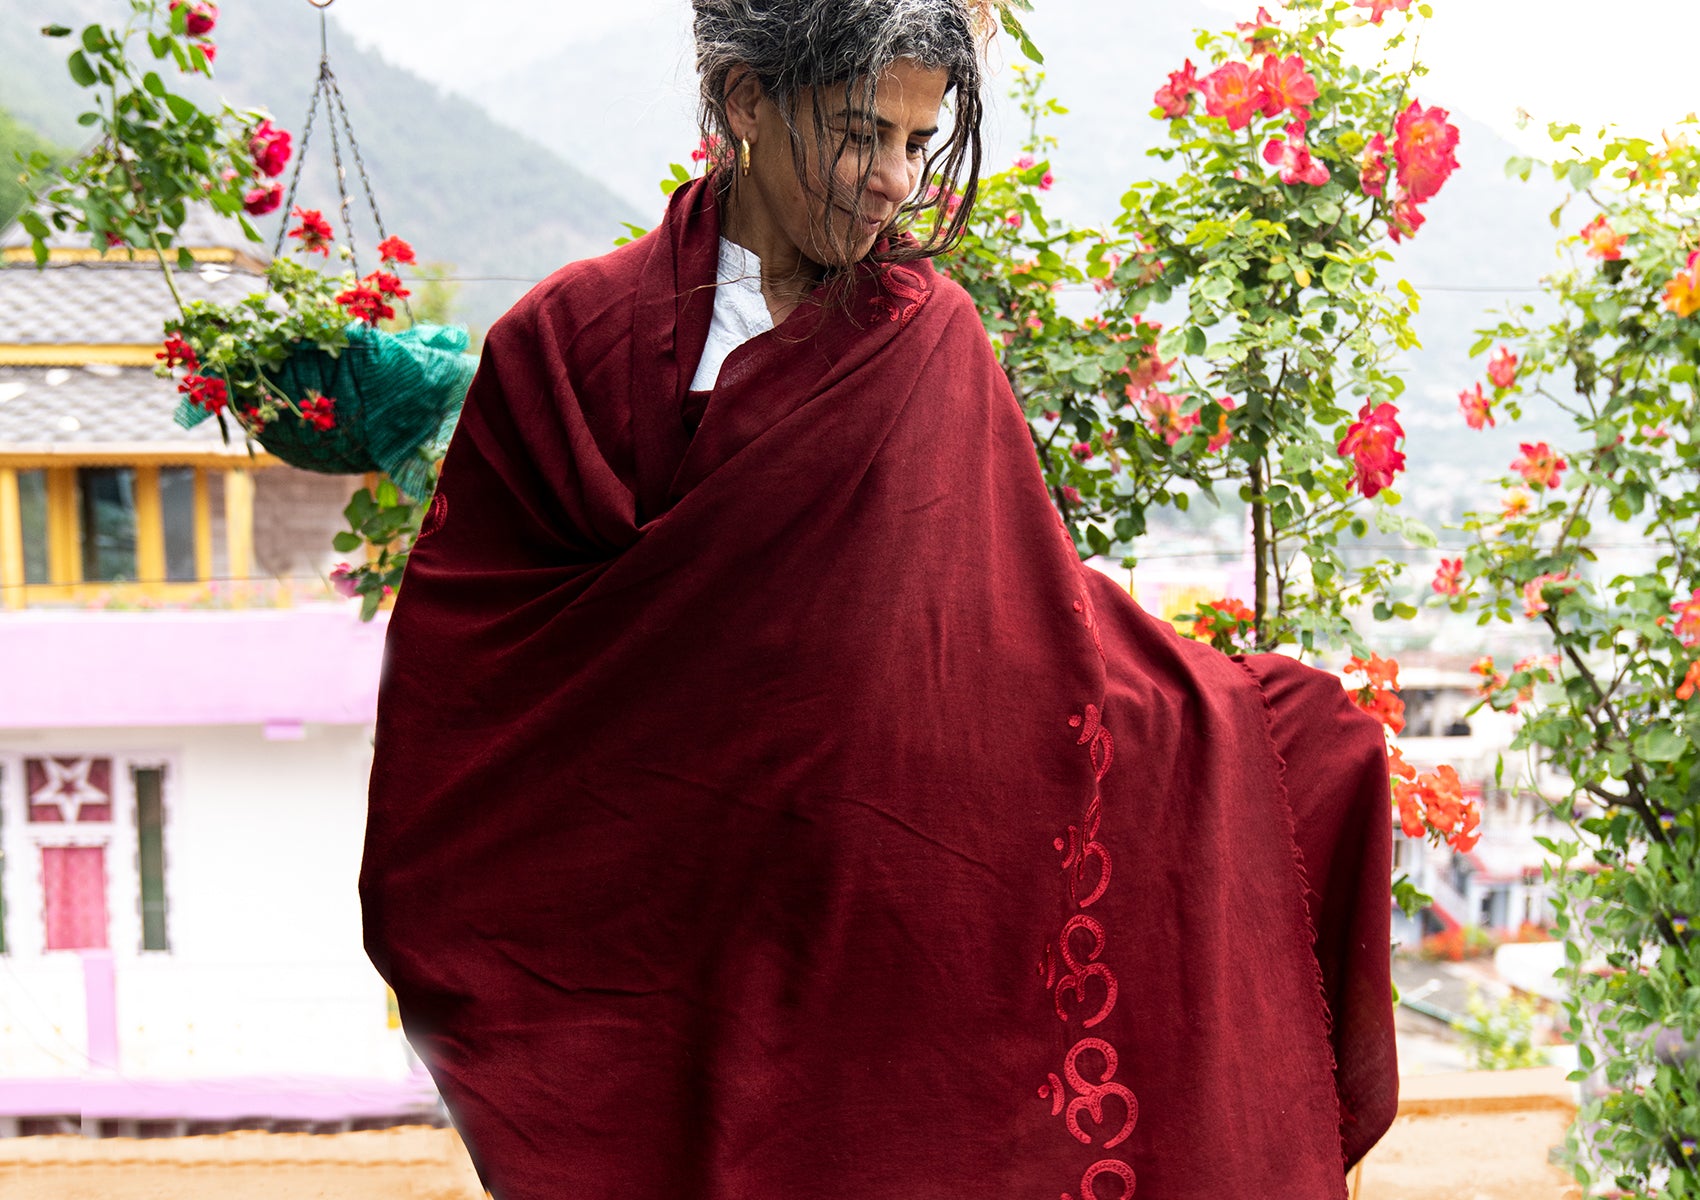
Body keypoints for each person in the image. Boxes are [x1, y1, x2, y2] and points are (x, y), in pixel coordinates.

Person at [359, 2, 1399, 1197]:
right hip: (671, 930)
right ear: (745, 101)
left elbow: (1020, 616)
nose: (892, 182)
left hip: (884, 925)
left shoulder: (924, 339)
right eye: (862, 134)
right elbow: (477, 664)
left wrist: (1259, 727)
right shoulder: (565, 346)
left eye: (919, 141)